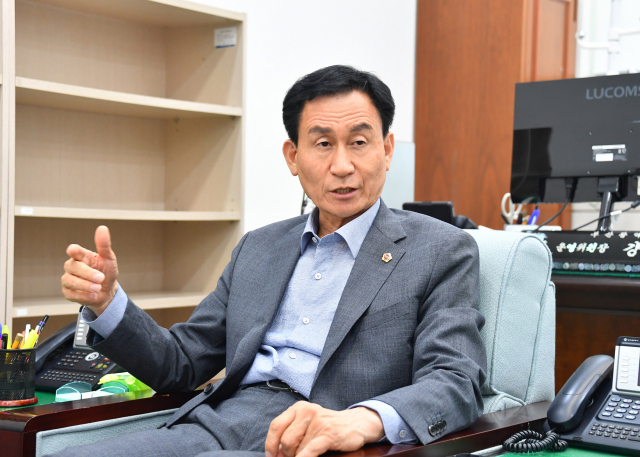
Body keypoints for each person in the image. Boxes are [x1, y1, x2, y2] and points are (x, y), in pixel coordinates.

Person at [57, 65, 486, 457]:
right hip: (216, 427)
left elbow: (455, 380)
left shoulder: (440, 250)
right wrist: (107, 302)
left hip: (320, 441)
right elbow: (181, 363)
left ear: (387, 150)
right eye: (322, 144)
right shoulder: (259, 247)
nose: (342, 165)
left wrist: (361, 420)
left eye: (359, 142)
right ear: (293, 157)